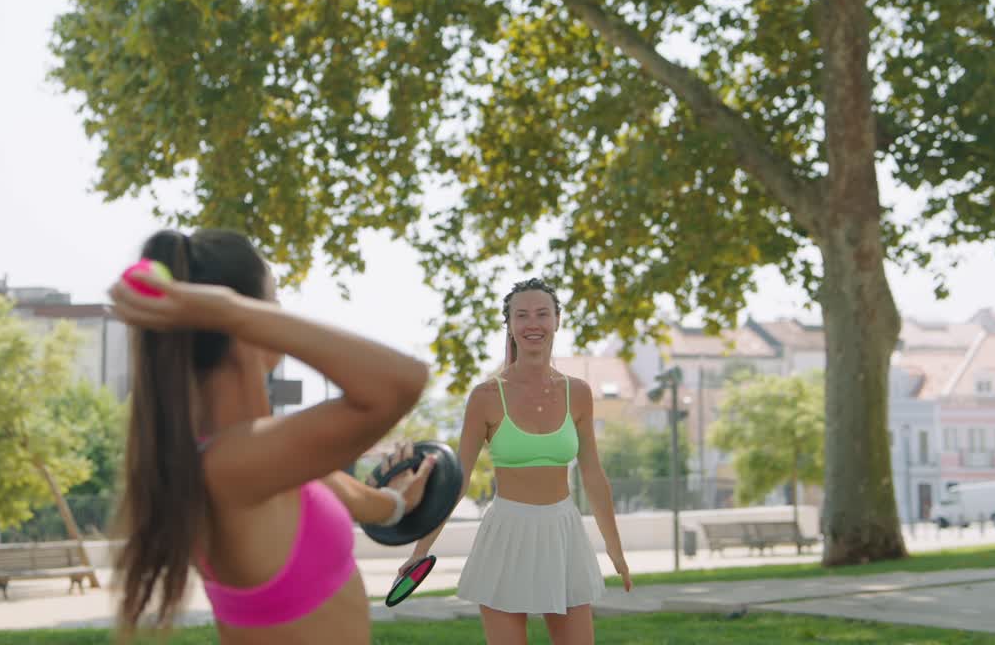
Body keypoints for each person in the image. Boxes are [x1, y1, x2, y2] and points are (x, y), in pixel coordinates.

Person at [107, 228, 436, 645]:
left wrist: (398, 503)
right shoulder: (232, 465)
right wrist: (232, 311)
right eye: (274, 303)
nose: (280, 318)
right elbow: (402, 381)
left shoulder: (259, 457)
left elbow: (352, 497)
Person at [402, 278, 633, 645]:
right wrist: (421, 549)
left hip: (563, 534)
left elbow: (593, 474)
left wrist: (615, 550)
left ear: (558, 320)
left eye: (542, 314)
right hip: (506, 535)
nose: (532, 324)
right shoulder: (486, 396)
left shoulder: (579, 393)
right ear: (509, 325)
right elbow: (456, 481)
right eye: (521, 315)